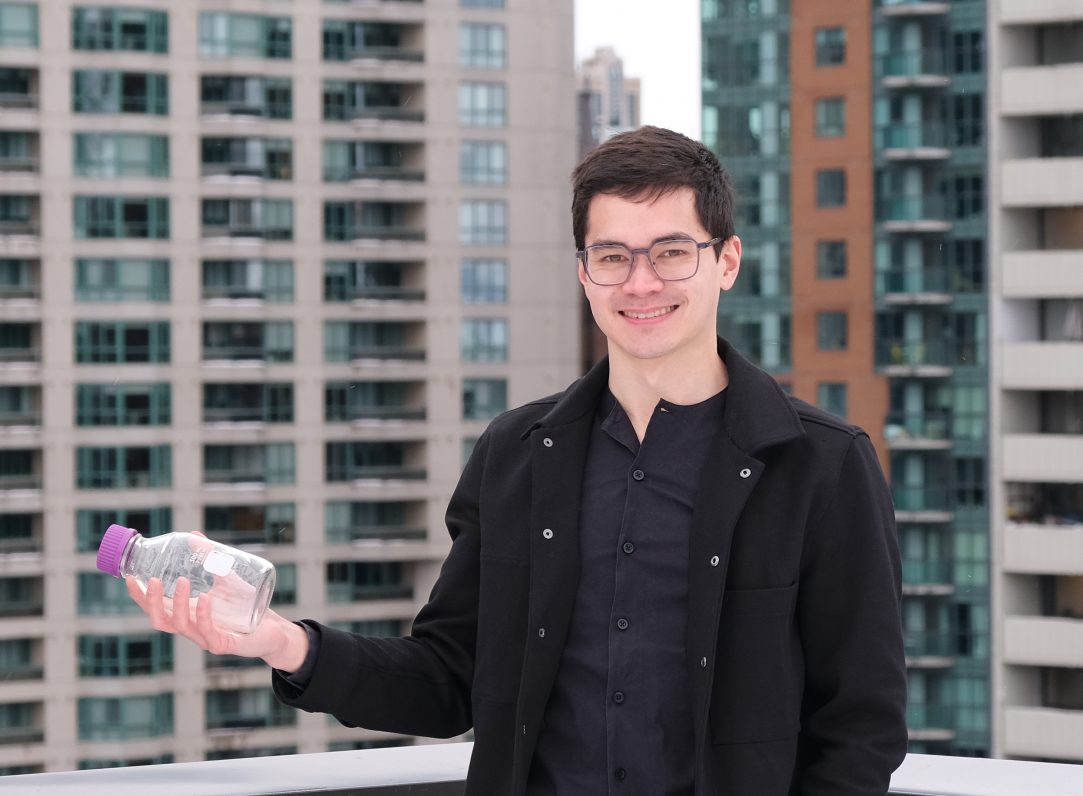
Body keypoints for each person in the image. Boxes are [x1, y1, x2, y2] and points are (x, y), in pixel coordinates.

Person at [129, 126, 907, 796]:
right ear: (583, 272)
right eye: (612, 256)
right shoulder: (517, 455)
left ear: (726, 260)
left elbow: (861, 725)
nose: (641, 283)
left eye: (672, 253)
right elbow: (450, 679)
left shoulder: (821, 466)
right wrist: (277, 639)